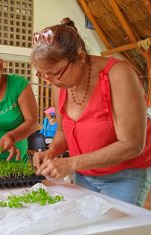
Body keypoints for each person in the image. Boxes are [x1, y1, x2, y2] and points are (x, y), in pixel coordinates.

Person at [31, 17, 151, 206]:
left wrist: (70, 164)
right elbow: (62, 131)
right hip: (84, 174)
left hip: (123, 176)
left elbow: (132, 144)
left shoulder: (118, 75)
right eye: (43, 75)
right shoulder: (59, 84)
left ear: (80, 57)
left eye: (55, 73)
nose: (51, 80)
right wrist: (51, 151)